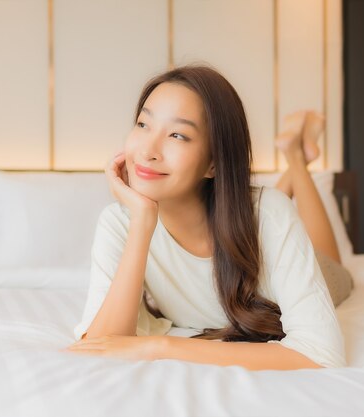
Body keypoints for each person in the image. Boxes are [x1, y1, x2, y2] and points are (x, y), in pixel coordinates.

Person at [65, 65, 347, 370]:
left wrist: (160, 346)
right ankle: (294, 159)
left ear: (213, 164)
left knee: (325, 257)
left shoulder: (271, 213)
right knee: (257, 210)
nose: (147, 150)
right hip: (245, 215)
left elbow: (321, 353)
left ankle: (295, 158)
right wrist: (143, 222)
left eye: (177, 135)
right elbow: (103, 346)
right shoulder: (121, 222)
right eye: (143, 124)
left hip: (308, 259)